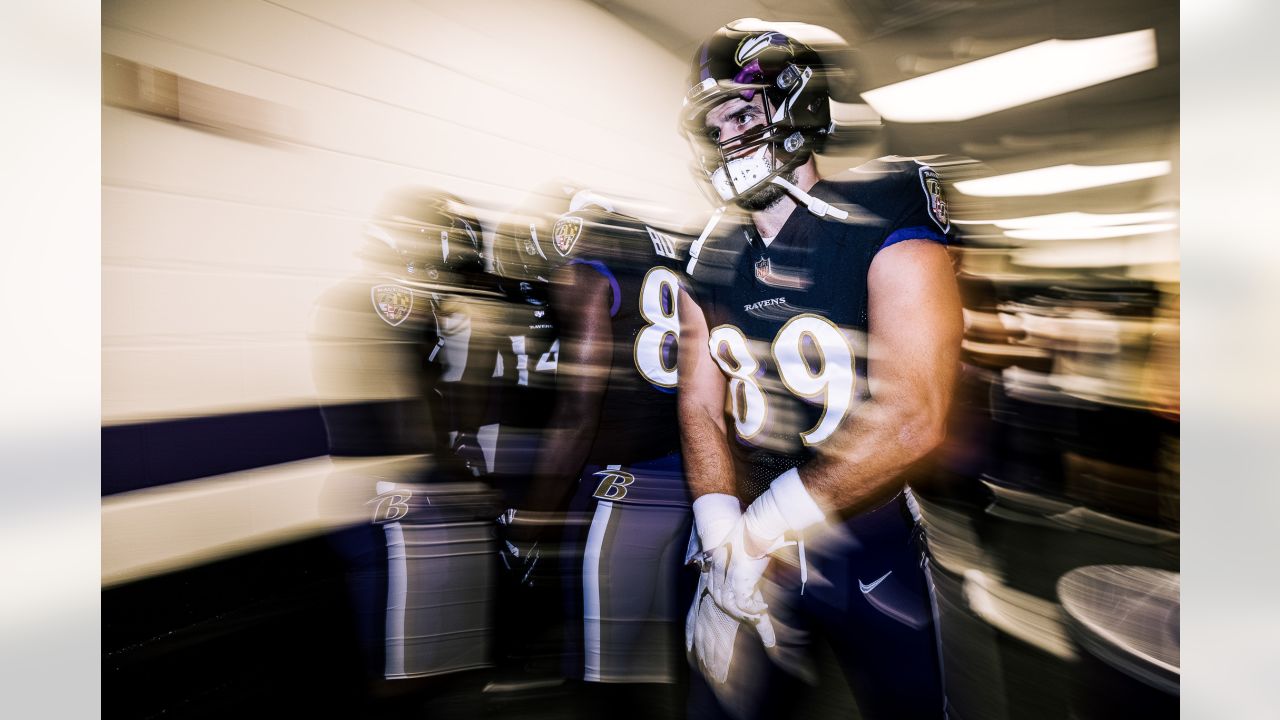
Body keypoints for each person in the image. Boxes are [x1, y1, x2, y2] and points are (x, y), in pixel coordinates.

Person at [676, 20, 962, 720]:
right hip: (746, 541)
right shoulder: (710, 256)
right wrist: (720, 538)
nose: (729, 138)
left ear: (798, 106)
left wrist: (761, 528)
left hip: (864, 539)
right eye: (715, 124)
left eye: (744, 113)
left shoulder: (882, 215)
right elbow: (700, 407)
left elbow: (914, 420)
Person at [501, 189, 696, 717]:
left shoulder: (580, 270)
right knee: (669, 658)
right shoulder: (660, 245)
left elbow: (576, 414)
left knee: (601, 671)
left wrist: (532, 519)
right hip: (688, 473)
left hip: (619, 483)